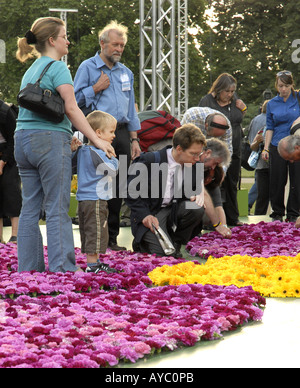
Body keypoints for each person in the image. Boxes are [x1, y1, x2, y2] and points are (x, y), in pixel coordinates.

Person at [15, 17, 115, 273]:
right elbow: (71, 108)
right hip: (48, 140)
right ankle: (63, 271)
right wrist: (96, 140)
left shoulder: (31, 69)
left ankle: (28, 271)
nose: (67, 41)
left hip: (22, 139)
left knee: (29, 208)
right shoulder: (58, 67)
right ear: (52, 41)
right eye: (64, 36)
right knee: (57, 208)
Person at [74, 20, 141, 251]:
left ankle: (112, 238)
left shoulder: (126, 73)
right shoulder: (88, 67)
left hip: (121, 134)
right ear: (102, 43)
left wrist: (134, 139)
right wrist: (95, 88)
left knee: (120, 185)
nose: (119, 49)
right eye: (115, 44)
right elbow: (73, 101)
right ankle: (98, 239)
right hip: (96, 134)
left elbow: (131, 108)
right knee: (101, 186)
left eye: (122, 45)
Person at [125, 124, 231, 258]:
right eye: (193, 154)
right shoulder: (149, 160)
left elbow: (202, 194)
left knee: (196, 207)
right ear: (179, 149)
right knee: (161, 255)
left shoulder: (193, 165)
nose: (197, 159)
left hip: (172, 211)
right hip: (150, 213)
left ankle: (176, 242)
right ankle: (143, 242)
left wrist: (217, 223)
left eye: (199, 154)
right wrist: (145, 215)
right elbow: (129, 191)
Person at [199, 73, 247, 227]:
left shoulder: (235, 101)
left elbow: (238, 119)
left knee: (231, 182)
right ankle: (209, 220)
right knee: (212, 182)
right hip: (212, 152)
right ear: (219, 89)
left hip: (233, 148)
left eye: (232, 91)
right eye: (227, 91)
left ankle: (232, 217)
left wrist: (243, 109)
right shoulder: (207, 101)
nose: (230, 94)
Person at [74, 110, 119, 274]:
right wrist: (114, 158)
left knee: (89, 230)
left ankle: (95, 262)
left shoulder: (83, 150)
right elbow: (111, 170)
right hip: (95, 198)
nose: (114, 135)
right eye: (111, 131)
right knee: (97, 230)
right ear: (98, 133)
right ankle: (93, 266)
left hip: (84, 198)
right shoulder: (98, 152)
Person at [262, 70, 300, 223]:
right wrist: (265, 148)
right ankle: (277, 212)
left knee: (297, 180)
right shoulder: (271, 104)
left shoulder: (298, 98)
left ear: (292, 85)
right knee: (277, 180)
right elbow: (269, 127)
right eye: (280, 86)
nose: (283, 89)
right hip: (277, 145)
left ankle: (293, 213)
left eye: (286, 86)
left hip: (296, 145)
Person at [0, 100, 22, 243]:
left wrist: (3, 161)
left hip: (11, 156)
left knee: (11, 192)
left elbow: (15, 139)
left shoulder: (4, 112)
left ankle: (15, 236)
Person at [248, 100, 270, 215]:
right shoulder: (268, 123)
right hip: (265, 161)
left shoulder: (254, 120)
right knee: (263, 191)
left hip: (261, 161)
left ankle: (251, 207)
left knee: (261, 190)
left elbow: (251, 141)